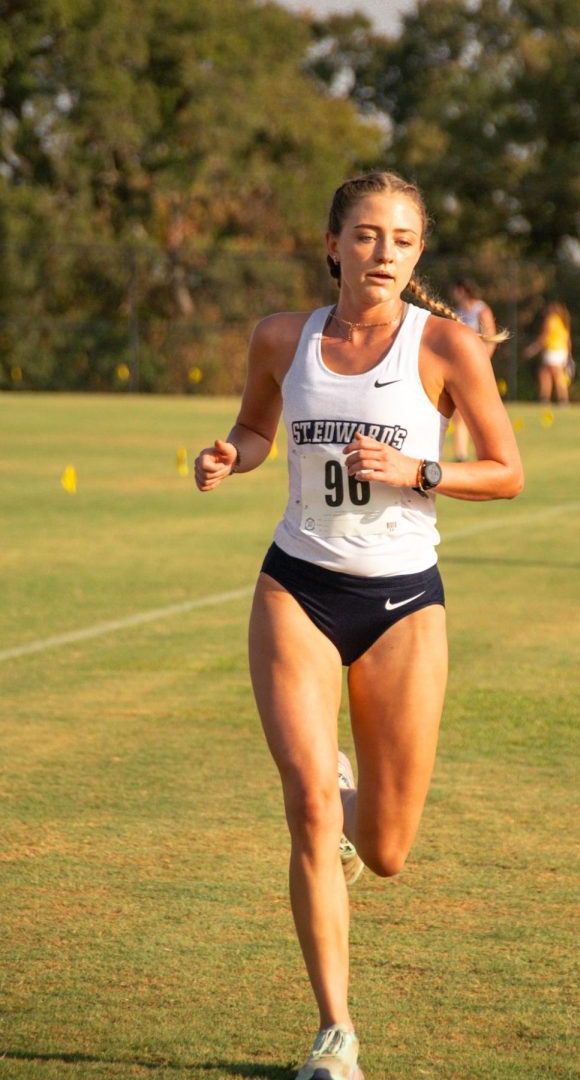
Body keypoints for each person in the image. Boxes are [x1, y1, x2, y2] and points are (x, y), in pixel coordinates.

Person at [194, 171, 523, 1080]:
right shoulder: (279, 337)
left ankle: (350, 805)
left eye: (404, 240)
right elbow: (257, 432)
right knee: (302, 806)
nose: (385, 253)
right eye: (369, 235)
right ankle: (334, 1035)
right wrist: (232, 454)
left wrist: (417, 471)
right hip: (294, 587)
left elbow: (506, 471)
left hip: (403, 606)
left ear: (418, 254)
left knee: (384, 851)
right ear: (333, 244)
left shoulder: (448, 347)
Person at [449, 280, 505, 461]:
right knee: (458, 412)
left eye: (456, 290)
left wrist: (482, 363)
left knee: (481, 412)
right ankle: (461, 455)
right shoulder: (457, 312)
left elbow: (490, 337)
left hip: (476, 368)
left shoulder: (481, 310)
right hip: (459, 368)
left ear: (463, 290)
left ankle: (492, 455)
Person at [522, 302, 573, 404]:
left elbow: (544, 337)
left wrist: (532, 349)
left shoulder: (551, 320)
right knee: (549, 374)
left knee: (550, 375)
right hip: (562, 351)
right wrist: (569, 354)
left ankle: (552, 398)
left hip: (553, 350)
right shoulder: (562, 321)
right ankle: (558, 398)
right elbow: (568, 340)